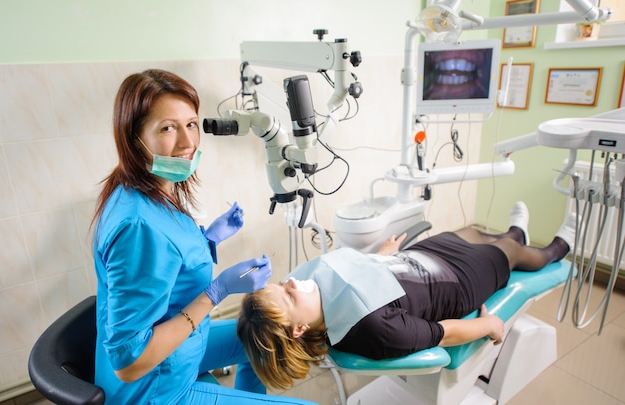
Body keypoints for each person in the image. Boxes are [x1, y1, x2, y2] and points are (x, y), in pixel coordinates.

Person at [92, 69, 315, 405]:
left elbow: (165, 266)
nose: (187, 142)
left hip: (179, 352)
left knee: (258, 339)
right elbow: (129, 363)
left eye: (191, 124)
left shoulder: (145, 190)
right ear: (133, 137)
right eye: (167, 128)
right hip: (154, 389)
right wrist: (217, 291)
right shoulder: (138, 227)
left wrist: (207, 240)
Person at [237, 202, 577, 390]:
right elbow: (444, 332)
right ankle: (557, 247)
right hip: (456, 282)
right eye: (288, 297)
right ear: (298, 330)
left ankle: (516, 229)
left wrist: (380, 257)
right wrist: (489, 323)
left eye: (283, 284)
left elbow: (355, 276)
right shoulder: (373, 332)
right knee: (508, 251)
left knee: (469, 232)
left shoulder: (316, 291)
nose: (293, 284)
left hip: (413, 261)